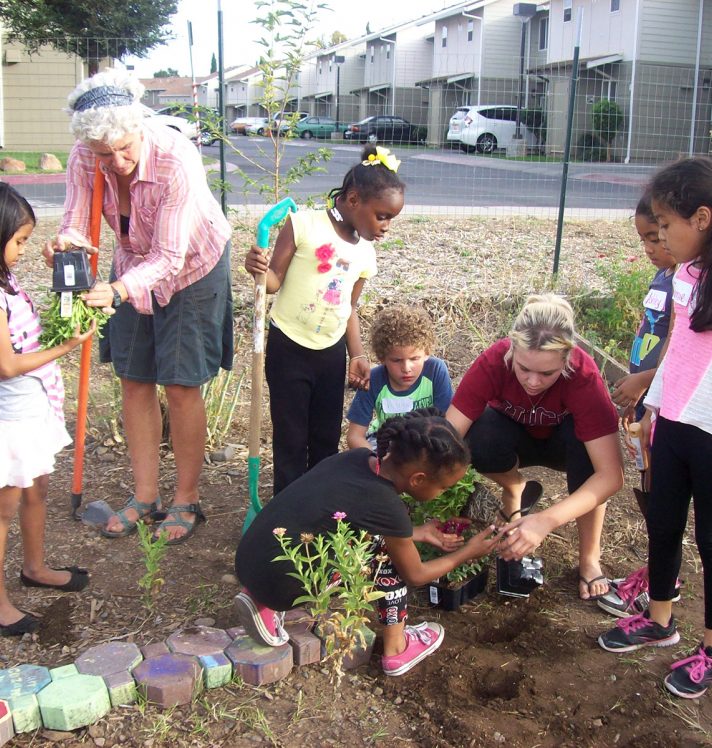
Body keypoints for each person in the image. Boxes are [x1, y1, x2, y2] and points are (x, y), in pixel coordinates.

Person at [44, 68, 233, 544]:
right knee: (134, 375)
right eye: (105, 154)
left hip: (194, 266)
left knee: (181, 381)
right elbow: (77, 223)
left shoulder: (174, 158)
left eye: (125, 148)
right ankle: (145, 496)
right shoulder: (87, 156)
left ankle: (186, 499)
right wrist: (66, 244)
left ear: (139, 128)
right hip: (132, 262)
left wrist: (120, 290)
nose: (118, 161)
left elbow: (170, 256)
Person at [234, 409, 500, 676]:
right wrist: (466, 552)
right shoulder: (387, 507)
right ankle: (397, 649)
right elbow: (417, 575)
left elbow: (331, 514)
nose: (442, 493)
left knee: (375, 538)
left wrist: (416, 531)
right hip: (280, 587)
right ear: (418, 479)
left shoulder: (358, 459)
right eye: (442, 487)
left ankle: (259, 600)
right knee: (385, 554)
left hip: (251, 559)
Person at [598, 158, 712, 700]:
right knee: (663, 524)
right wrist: (651, 411)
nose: (661, 237)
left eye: (667, 225)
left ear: (704, 218)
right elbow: (677, 356)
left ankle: (710, 649)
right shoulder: (684, 277)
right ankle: (660, 620)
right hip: (674, 424)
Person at [244, 145, 405, 495]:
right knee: (290, 435)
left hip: (330, 353)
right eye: (382, 216)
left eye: (391, 218)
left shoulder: (365, 252)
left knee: (325, 438)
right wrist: (256, 269)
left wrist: (357, 355)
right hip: (289, 346)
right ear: (352, 199)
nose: (387, 226)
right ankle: (286, 510)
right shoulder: (303, 224)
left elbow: (349, 306)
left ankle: (318, 509)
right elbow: (273, 282)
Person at [446, 293, 624, 600]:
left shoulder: (584, 377)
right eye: (524, 368)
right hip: (514, 438)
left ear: (567, 358)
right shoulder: (493, 361)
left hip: (564, 445)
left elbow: (611, 476)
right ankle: (515, 488)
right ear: (512, 349)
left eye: (546, 373)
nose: (532, 381)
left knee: (589, 459)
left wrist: (546, 520)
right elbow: (447, 438)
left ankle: (589, 557)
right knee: (478, 437)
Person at [0, 184, 95, 635]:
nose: (22, 249)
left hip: (31, 407)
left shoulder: (6, 280)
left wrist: (59, 261)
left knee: (37, 490)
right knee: (3, 507)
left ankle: (34, 568)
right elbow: (6, 364)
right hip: (10, 417)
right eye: (17, 240)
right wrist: (65, 346)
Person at [598, 192, 677, 619]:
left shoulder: (686, 278)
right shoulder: (663, 276)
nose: (650, 247)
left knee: (662, 491)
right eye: (645, 239)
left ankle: (666, 578)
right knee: (647, 483)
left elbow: (676, 343)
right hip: (642, 398)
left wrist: (645, 382)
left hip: (660, 400)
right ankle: (658, 569)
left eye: (656, 236)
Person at [346, 304, 453, 450]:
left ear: (427, 352)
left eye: (414, 359)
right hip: (385, 441)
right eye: (396, 360)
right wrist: (377, 462)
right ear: (382, 358)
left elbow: (447, 424)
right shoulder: (374, 379)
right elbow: (354, 436)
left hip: (427, 441)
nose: (406, 368)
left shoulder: (435, 371)